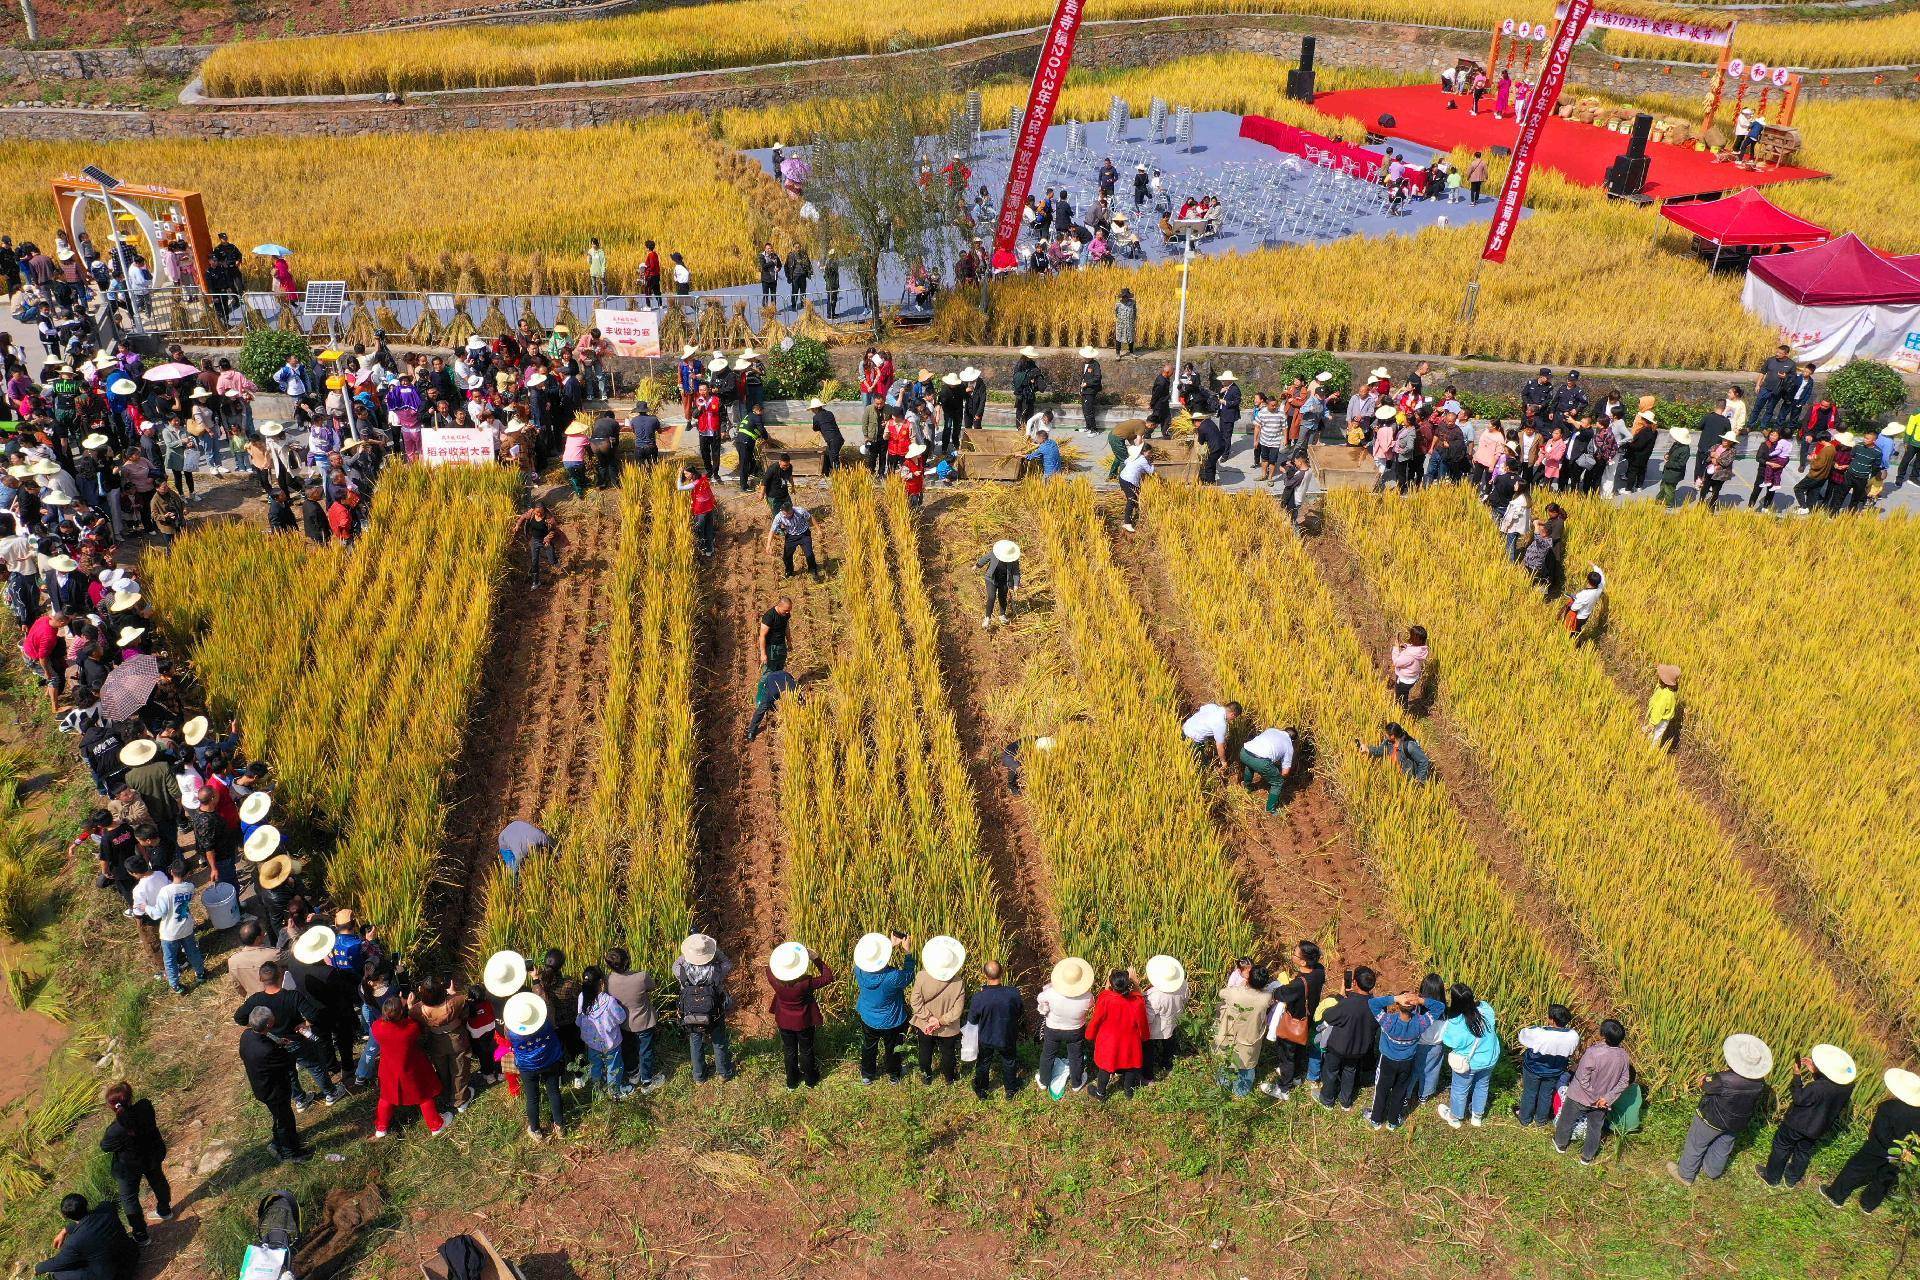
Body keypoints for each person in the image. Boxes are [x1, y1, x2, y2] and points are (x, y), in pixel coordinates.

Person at [1669, 1034, 1772, 1185]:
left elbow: (1704, 1085)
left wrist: (1705, 1078)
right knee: (1723, 1146)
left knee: (1696, 1143)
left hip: (1712, 1119)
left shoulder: (1723, 1079)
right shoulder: (1760, 1082)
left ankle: (1685, 1175)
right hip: (1737, 1122)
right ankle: (1712, 1172)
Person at [1823, 1067, 1920, 1211]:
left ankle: (1836, 1196)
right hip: (1904, 1154)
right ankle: (1868, 1205)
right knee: (1885, 1178)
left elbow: (1880, 1133)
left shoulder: (1888, 1107)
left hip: (1878, 1148)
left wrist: (1888, 1147)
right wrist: (1903, 1152)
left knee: (1855, 1169)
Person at [1761, 1044, 1856, 1188]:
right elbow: (1827, 1092)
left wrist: (1797, 1076)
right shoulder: (1848, 1087)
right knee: (1803, 1152)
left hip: (1796, 1124)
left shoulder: (1817, 1087)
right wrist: (1816, 1073)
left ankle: (1772, 1177)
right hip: (1817, 1128)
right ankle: (1792, 1179)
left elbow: (1799, 1098)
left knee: (1781, 1146)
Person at [98, 1083, 170, 1246]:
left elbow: (105, 1147)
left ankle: (141, 1235)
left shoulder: (115, 1130)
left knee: (129, 1198)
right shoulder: (145, 1106)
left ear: (112, 1106)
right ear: (131, 1098)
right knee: (158, 1180)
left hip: (129, 1167)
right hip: (152, 1155)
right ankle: (165, 1211)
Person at [368, 996, 448, 1139]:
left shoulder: (377, 1027)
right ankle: (435, 1125)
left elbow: (385, 1022)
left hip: (389, 1069)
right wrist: (410, 1007)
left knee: (386, 1097)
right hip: (410, 1068)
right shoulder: (410, 1029)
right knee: (424, 1095)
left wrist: (400, 1006)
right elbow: (417, 1027)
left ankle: (381, 1128)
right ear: (400, 1014)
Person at [1554, 1019, 1631, 1165]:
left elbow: (1583, 1078)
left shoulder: (1593, 1052)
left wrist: (1594, 1097)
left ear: (1603, 1035)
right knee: (1595, 1128)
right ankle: (1587, 1157)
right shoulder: (1623, 1056)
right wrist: (1606, 1098)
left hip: (1580, 1096)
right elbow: (1624, 1081)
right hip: (1602, 1102)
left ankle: (1561, 1144)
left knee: (1566, 1120)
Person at [240, 1005, 310, 1162]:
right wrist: (285, 1049)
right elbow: (288, 1062)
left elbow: (264, 1043)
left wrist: (277, 1043)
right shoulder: (267, 1051)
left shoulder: (246, 1036)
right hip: (275, 1090)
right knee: (286, 1121)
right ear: (268, 1025)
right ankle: (290, 1154)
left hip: (260, 1086)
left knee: (279, 1117)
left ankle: (277, 1142)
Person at [766, 942, 834, 1090]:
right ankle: (810, 1080)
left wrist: (778, 957)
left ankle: (791, 1082)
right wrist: (816, 959)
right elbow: (828, 977)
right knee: (806, 1050)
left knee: (789, 1051)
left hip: (784, 1021)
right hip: (804, 1022)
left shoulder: (774, 980)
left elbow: (769, 968)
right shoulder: (805, 983)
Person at [501, 992, 566, 1141]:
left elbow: (507, 1040)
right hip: (550, 1060)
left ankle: (536, 1130)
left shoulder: (512, 1031)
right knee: (554, 1092)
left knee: (532, 1098)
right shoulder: (546, 1022)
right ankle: (560, 1126)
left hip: (527, 1066)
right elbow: (548, 1009)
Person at [852, 930, 914, 1085]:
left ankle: (867, 1075)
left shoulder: (858, 969)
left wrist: (890, 947)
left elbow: (876, 965)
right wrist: (908, 952)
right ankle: (894, 1075)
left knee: (869, 1046)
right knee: (893, 1048)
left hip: (868, 1017)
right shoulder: (892, 977)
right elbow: (908, 975)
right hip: (891, 1020)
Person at [1435, 983, 1499, 1128]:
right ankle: (1477, 1117)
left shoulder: (1456, 1022)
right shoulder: (1486, 1009)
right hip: (1490, 1059)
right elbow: (1482, 1006)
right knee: (1482, 1086)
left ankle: (1455, 1117)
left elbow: (1449, 1041)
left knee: (1460, 1089)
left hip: (1470, 1063)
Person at [32, 1193, 139, 1280]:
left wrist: (38, 1268)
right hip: (131, 1256)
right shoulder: (107, 1208)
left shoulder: (74, 1241)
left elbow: (58, 1263)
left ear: (65, 1216)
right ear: (86, 1203)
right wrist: (65, 1230)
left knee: (59, 1274)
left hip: (118, 1276)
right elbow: (91, 1216)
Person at [675, 932, 735, 1083]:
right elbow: (728, 964)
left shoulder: (682, 970)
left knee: (695, 1040)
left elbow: (675, 965)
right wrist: (717, 953)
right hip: (714, 1010)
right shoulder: (716, 970)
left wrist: (687, 955)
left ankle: (699, 1076)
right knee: (719, 1040)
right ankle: (723, 1073)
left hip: (692, 1011)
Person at [1316, 968, 1379, 1111]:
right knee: (1350, 1071)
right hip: (1359, 1049)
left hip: (1338, 1047)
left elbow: (1328, 1016)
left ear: (1354, 982)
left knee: (1331, 1071)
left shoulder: (1347, 1004)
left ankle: (1327, 1099)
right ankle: (1345, 1102)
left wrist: (1340, 997)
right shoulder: (1377, 1005)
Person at [602, 947, 663, 1093]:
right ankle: (647, 1081)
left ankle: (633, 1073)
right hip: (644, 1021)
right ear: (627, 961)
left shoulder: (608, 980)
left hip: (622, 1023)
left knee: (628, 1048)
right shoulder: (641, 977)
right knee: (645, 1050)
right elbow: (652, 986)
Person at [909, 936, 967, 1086]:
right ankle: (949, 1078)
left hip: (925, 1024)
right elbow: (957, 1010)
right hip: (948, 1027)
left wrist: (929, 1018)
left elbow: (915, 1001)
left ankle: (926, 1076)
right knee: (948, 1053)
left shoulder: (922, 976)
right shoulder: (958, 982)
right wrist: (940, 1021)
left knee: (925, 1050)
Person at [1084, 968, 1148, 1100]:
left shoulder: (1105, 998)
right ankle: (1128, 1092)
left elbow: (1096, 1020)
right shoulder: (1137, 1001)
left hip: (1109, 1041)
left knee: (1106, 1067)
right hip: (1130, 1041)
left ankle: (1100, 1093)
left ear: (1111, 984)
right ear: (1129, 984)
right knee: (1131, 1066)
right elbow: (1142, 1022)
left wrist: (1090, 1035)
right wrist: (1135, 983)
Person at [1212, 963, 1273, 1098]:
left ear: (1248, 979)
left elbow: (1221, 993)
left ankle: (1223, 1087)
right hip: (1250, 1038)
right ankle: (1241, 1093)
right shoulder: (1266, 997)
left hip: (1230, 1035)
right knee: (1247, 1064)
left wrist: (1242, 984)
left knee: (1226, 1061)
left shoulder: (1235, 994)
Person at [1036, 956, 1095, 1094]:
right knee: (1076, 1056)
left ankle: (1044, 1081)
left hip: (1052, 1029)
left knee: (1048, 1054)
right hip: (1075, 1030)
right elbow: (1090, 1005)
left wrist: (1049, 988)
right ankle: (1076, 1083)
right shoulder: (1088, 997)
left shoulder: (1050, 993)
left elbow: (1040, 998)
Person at [1513, 1005, 1579, 1127]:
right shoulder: (1574, 1035)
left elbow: (1522, 1035)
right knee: (1546, 1094)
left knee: (1530, 1092)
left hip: (1534, 1068)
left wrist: (1540, 1027)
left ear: (1552, 1020)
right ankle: (1541, 1120)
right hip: (1555, 1070)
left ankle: (1525, 1118)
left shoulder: (1539, 1032)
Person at [965, 960, 1022, 1099]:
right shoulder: (1013, 993)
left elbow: (972, 1020)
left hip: (986, 1037)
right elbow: (1019, 1012)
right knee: (1009, 1061)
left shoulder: (979, 997)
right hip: (1007, 1035)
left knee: (984, 1062)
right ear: (1002, 973)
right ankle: (1010, 1090)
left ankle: (982, 1089)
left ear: (985, 975)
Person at [153, 861, 205, 995]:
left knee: (170, 959)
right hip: (186, 927)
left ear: (171, 872)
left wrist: (146, 908)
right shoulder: (190, 887)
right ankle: (200, 974)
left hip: (169, 933)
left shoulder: (165, 891)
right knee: (192, 952)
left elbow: (160, 913)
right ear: (188, 873)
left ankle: (175, 985)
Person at [1141, 954, 1189, 1082]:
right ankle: (1167, 1065)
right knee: (1169, 1044)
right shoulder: (1183, 984)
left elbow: (1148, 1018)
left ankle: (1148, 1077)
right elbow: (1186, 998)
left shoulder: (1154, 996)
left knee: (1148, 1051)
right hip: (1173, 1022)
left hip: (1156, 1028)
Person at [1238, 724, 1294, 815]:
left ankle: (1247, 787)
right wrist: (1277, 776)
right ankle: (1270, 809)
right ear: (1292, 740)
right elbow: (1285, 772)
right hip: (1260, 761)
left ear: (1284, 730)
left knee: (1250, 764)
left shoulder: (1271, 730)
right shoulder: (1289, 746)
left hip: (1244, 752)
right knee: (1278, 782)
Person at [766, 502, 821, 581]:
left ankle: (813, 570)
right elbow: (772, 530)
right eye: (783, 513)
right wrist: (768, 545)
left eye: (787, 514)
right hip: (791, 536)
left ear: (791, 511)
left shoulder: (800, 511)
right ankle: (789, 571)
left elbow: (810, 517)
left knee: (809, 554)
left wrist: (818, 529)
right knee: (786, 556)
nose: (785, 515)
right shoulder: (779, 517)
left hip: (804, 534)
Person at [1358, 722, 1431, 782]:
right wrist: (1367, 749)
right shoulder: (1388, 742)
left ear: (1392, 736)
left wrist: (1419, 779)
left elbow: (1424, 761)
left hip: (1407, 781)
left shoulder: (1409, 746)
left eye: (1386, 733)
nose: (1385, 735)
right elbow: (1380, 751)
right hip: (1393, 778)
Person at [1181, 700, 1240, 773]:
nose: (1232, 720)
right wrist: (1223, 762)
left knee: (1182, 755)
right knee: (1201, 765)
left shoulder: (1212, 706)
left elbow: (1201, 711)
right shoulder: (1221, 724)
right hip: (1193, 739)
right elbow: (1219, 747)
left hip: (1185, 728)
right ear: (1233, 714)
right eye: (1234, 718)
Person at [978, 539, 1021, 628]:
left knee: (1002, 597)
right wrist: (977, 565)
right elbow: (985, 558)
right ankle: (987, 618)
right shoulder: (994, 553)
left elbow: (1016, 572)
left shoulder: (1013, 560)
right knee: (991, 597)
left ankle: (1002, 615)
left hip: (1004, 581)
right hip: (991, 579)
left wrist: (1016, 584)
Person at [678, 465, 717, 558]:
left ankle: (702, 550)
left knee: (700, 530)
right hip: (709, 507)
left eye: (687, 473)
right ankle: (709, 550)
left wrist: (678, 475)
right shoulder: (703, 477)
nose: (686, 475)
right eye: (684, 474)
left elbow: (679, 488)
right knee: (709, 529)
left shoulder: (696, 483)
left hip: (701, 510)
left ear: (692, 473)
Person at [1117, 438, 1154, 531]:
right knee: (1131, 499)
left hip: (1123, 477)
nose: (1150, 455)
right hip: (1128, 480)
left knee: (1136, 496)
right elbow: (1151, 471)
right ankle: (1127, 523)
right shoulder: (1143, 460)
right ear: (1144, 452)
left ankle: (1137, 513)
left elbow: (1125, 462)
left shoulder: (1134, 456)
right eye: (1149, 453)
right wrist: (1152, 463)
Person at [1389, 625, 1428, 709]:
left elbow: (1396, 662)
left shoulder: (1409, 656)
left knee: (1401, 696)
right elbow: (1412, 648)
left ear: (1415, 639)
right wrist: (1406, 646)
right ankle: (1401, 707)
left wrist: (1396, 648)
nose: (1409, 637)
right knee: (1404, 694)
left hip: (1404, 680)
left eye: (1411, 636)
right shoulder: (1421, 649)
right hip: (1413, 677)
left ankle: (1402, 711)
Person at [1646, 664, 1680, 750]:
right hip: (1659, 718)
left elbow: (1658, 710)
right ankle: (1648, 748)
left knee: (1654, 737)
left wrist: (1652, 723)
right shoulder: (1667, 689)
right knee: (1654, 736)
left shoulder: (1666, 695)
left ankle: (1650, 753)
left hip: (1660, 720)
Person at [1657, 426, 1693, 507]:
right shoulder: (1676, 444)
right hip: (1668, 470)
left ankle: (1669, 504)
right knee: (1663, 485)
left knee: (1669, 488)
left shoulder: (1685, 449)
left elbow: (1681, 464)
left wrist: (1668, 463)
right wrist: (1667, 455)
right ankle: (1659, 499)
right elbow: (1671, 452)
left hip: (1674, 473)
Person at [759, 596, 792, 671]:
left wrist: (789, 641)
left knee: (779, 670)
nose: (788, 613)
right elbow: (762, 636)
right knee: (768, 673)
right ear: (779, 606)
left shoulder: (786, 614)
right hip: (771, 648)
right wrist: (763, 654)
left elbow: (786, 627)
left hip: (781, 646)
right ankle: (763, 683)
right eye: (786, 610)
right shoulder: (769, 616)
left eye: (789, 610)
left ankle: (776, 683)